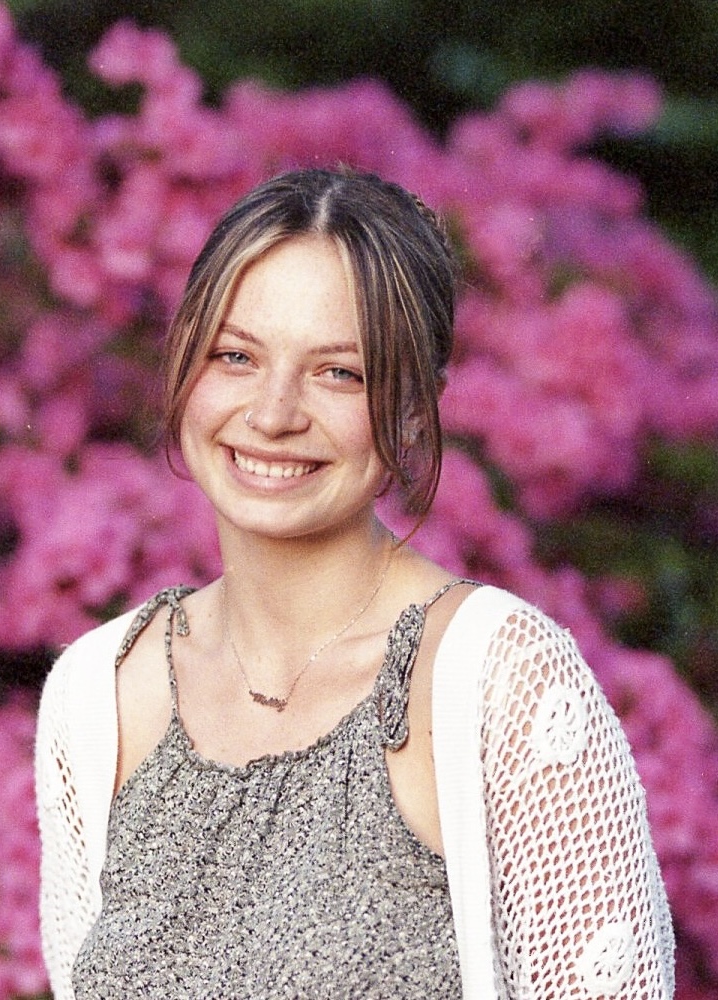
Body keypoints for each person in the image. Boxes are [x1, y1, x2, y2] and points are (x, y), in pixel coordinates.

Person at [35, 168, 675, 1000]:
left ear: (414, 409)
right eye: (235, 356)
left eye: (339, 372)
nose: (272, 414)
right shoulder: (96, 693)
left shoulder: (501, 683)